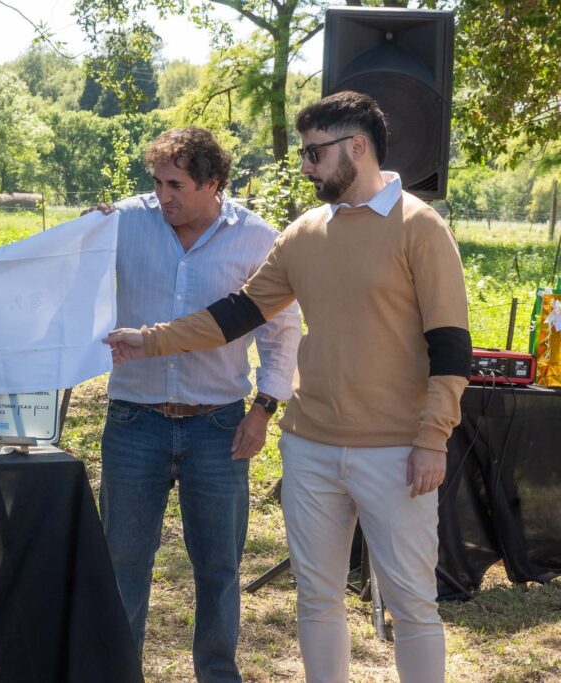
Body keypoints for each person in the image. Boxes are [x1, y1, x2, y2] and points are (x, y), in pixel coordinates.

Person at [106, 92, 471, 683]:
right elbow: (237, 314)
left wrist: (434, 437)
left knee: (411, 605)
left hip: (398, 449)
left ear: (357, 147)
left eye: (314, 153)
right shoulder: (304, 232)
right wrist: (148, 340)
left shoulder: (420, 227)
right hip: (309, 447)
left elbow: (451, 345)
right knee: (317, 599)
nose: (305, 166)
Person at [86, 127, 301, 682]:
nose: (163, 196)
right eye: (157, 183)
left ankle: (217, 674)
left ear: (213, 182)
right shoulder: (122, 222)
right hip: (134, 421)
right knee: (122, 563)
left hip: (219, 425)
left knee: (219, 566)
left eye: (176, 185)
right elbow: (66, 268)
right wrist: (84, 232)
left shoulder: (257, 238)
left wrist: (263, 408)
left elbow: (281, 331)